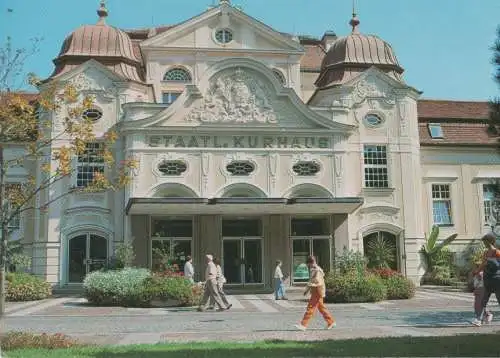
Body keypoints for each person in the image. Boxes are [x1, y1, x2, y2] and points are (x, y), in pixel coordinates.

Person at [294, 256, 335, 331]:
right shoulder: (315, 270)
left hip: (317, 291)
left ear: (311, 263)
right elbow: (312, 281)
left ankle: (303, 325)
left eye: (308, 265)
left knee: (310, 308)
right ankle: (331, 322)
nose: (308, 266)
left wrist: (309, 287)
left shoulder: (317, 270)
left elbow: (317, 282)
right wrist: (307, 289)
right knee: (322, 308)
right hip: (316, 291)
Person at [473, 233, 500, 326]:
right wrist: (477, 271)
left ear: (490, 241)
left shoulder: (497, 252)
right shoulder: (485, 253)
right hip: (487, 279)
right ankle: (478, 320)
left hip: (497, 279)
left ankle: (480, 319)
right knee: (483, 300)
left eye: (485, 242)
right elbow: (483, 264)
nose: (484, 244)